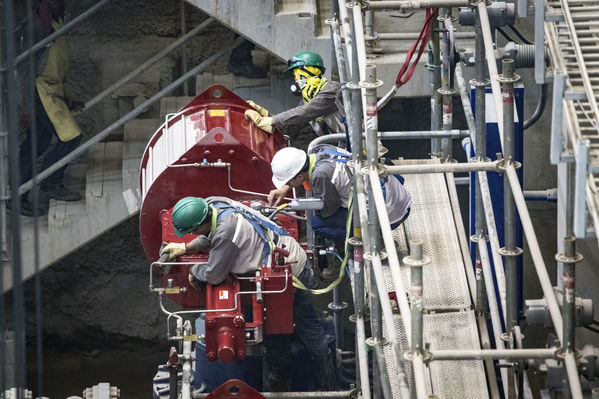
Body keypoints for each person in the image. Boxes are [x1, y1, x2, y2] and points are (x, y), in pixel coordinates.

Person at [160, 196, 336, 392]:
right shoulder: (216, 205)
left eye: (192, 230)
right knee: (307, 326)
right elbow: (211, 236)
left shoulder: (226, 232)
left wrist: (195, 271)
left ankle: (300, 389)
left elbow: (214, 274)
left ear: (201, 224)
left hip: (288, 276)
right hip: (291, 257)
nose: (192, 233)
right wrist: (186, 247)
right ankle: (328, 386)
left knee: (282, 337)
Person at [268, 145, 411, 256]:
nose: (288, 185)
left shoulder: (320, 175)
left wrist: (313, 208)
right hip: (395, 193)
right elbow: (302, 175)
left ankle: (376, 241)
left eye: (289, 181)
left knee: (318, 223)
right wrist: (286, 187)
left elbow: (330, 210)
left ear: (299, 177)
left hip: (390, 212)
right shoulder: (321, 150)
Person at [17, 0, 83, 216]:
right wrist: (26, 107)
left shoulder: (53, 23)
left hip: (50, 91)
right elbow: (26, 68)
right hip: (39, 92)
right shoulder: (36, 25)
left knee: (37, 142)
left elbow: (57, 70)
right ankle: (51, 182)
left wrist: (69, 98)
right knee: (71, 136)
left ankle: (16, 197)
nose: (60, 3)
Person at [243, 51, 344, 137]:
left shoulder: (333, 90)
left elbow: (305, 112)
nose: (295, 80)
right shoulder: (308, 100)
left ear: (305, 73)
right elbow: (290, 126)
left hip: (357, 146)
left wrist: (271, 120)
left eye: (296, 75)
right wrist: (264, 114)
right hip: (342, 149)